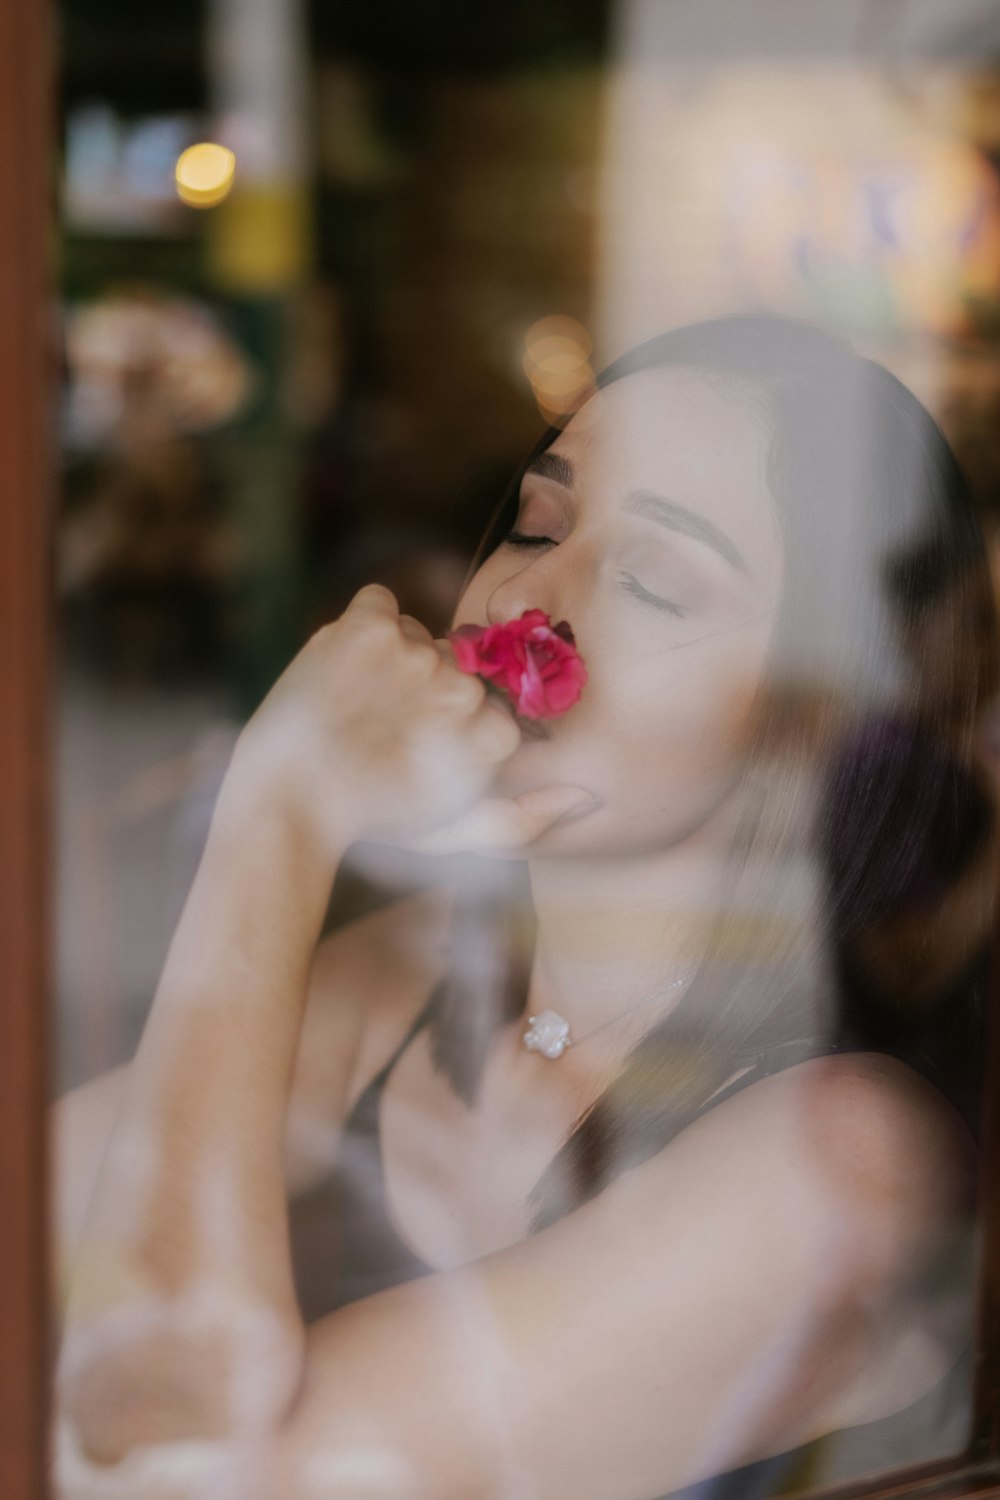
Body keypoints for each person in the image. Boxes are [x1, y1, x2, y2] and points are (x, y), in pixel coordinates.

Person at [53, 315, 999, 1500]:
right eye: (540, 523)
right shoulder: (410, 974)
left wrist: (275, 821)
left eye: (654, 581)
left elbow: (169, 1468)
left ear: (817, 723)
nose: (526, 599)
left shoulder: (848, 1160)